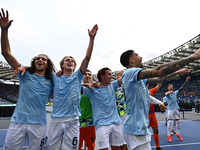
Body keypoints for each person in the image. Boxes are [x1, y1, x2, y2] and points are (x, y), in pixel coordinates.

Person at [120, 49, 200, 150]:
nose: (141, 57)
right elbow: (160, 70)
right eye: (137, 55)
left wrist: (178, 72)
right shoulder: (130, 72)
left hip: (139, 129)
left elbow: (162, 79)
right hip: (135, 130)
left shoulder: (137, 78)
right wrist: (194, 56)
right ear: (131, 60)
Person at [0, 8, 55, 149]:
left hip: (39, 124)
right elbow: (6, 53)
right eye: (37, 58)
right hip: (18, 121)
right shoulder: (24, 73)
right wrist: (4, 30)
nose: (40, 60)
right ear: (34, 62)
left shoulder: (52, 80)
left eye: (43, 59)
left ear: (47, 64)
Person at [47, 24, 98, 150]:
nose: (70, 61)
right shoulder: (55, 76)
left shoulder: (78, 76)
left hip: (73, 120)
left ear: (75, 66)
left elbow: (87, 57)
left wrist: (91, 39)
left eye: (72, 61)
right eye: (67, 60)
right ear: (62, 65)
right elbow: (39, 68)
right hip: (56, 120)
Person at [83, 67, 123, 150]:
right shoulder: (92, 89)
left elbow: (124, 79)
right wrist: (85, 84)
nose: (111, 76)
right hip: (102, 124)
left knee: (118, 148)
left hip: (116, 123)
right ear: (102, 76)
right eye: (109, 74)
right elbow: (73, 87)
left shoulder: (112, 85)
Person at [163, 76, 190, 143]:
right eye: (170, 86)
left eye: (172, 86)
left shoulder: (175, 92)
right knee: (170, 121)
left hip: (176, 109)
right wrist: (169, 93)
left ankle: (178, 133)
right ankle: (168, 135)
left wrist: (186, 81)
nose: (171, 87)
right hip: (170, 109)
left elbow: (181, 88)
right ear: (168, 88)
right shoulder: (167, 94)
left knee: (178, 121)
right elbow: (166, 94)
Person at [79, 70, 96, 150]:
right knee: (76, 146)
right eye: (85, 74)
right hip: (78, 122)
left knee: (91, 146)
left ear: (92, 77)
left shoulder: (95, 89)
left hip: (90, 122)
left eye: (89, 74)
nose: (87, 75)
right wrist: (84, 84)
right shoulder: (77, 88)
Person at [147, 83, 162, 150]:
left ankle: (157, 146)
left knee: (156, 130)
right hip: (144, 115)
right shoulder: (139, 92)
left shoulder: (151, 91)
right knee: (144, 133)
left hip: (152, 114)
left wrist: (159, 77)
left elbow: (159, 85)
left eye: (147, 84)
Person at [115, 70, 128, 150]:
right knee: (118, 141)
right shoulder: (113, 87)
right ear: (117, 77)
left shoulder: (128, 86)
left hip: (127, 116)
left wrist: (158, 103)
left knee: (126, 140)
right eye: (122, 75)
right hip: (116, 117)